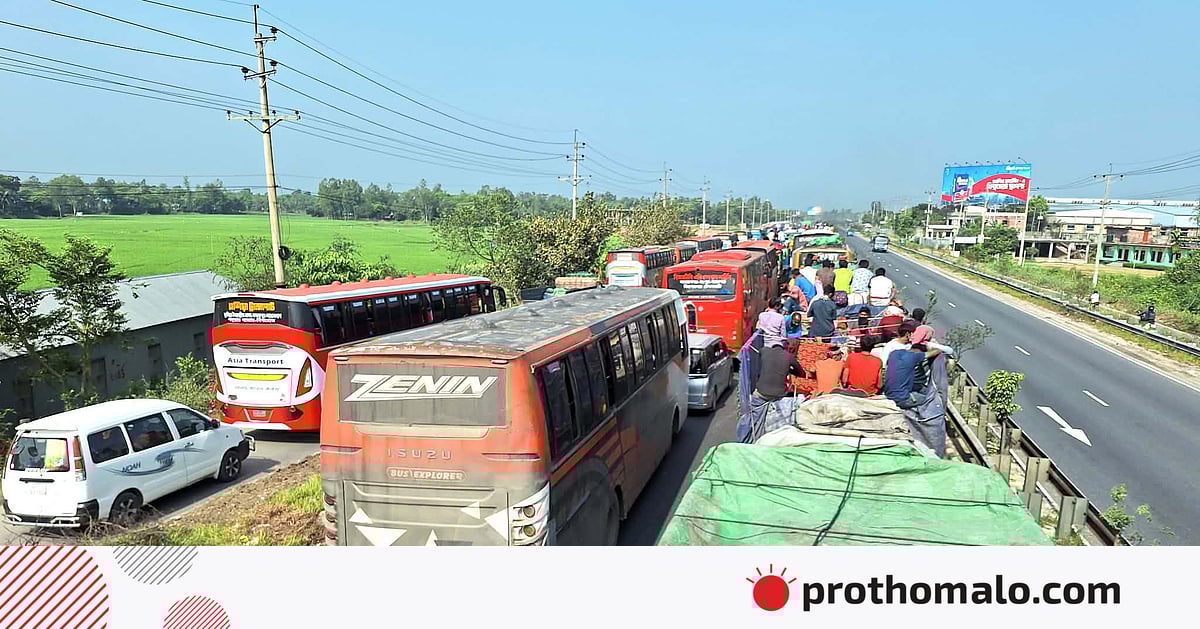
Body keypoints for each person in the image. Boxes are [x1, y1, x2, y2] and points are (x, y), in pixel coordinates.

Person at [884, 328, 943, 410]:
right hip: (902, 399)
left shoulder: (894, 353)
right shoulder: (914, 356)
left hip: (888, 393)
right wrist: (930, 345)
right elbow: (936, 351)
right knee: (931, 399)